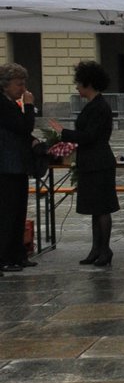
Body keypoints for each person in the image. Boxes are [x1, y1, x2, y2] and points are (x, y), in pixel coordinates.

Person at [58, 60, 118, 267]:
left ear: (88, 83)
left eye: (79, 83)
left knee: (102, 207)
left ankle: (105, 250)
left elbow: (89, 136)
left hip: (98, 162)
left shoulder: (99, 107)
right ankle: (96, 249)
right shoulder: (94, 106)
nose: (76, 87)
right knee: (95, 208)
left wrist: (63, 133)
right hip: (91, 161)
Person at [0, 63, 37, 273]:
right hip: (7, 167)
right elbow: (23, 127)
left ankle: (17, 254)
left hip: (16, 165)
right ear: (5, 85)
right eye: (19, 84)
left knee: (18, 212)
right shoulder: (3, 104)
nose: (22, 89)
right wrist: (29, 106)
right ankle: (5, 256)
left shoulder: (10, 103)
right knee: (7, 213)